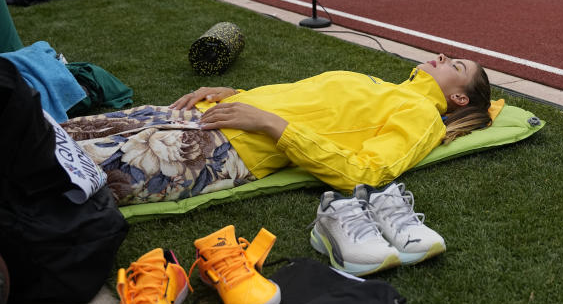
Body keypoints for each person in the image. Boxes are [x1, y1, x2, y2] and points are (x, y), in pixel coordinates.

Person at [61, 54, 491, 205]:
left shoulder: (421, 117)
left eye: (456, 66)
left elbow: (365, 172)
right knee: (55, 131)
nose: (441, 56)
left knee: (60, 171)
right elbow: (303, 101)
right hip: (215, 113)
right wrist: (235, 92)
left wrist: (266, 122)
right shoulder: (386, 87)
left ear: (459, 99)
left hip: (224, 149)